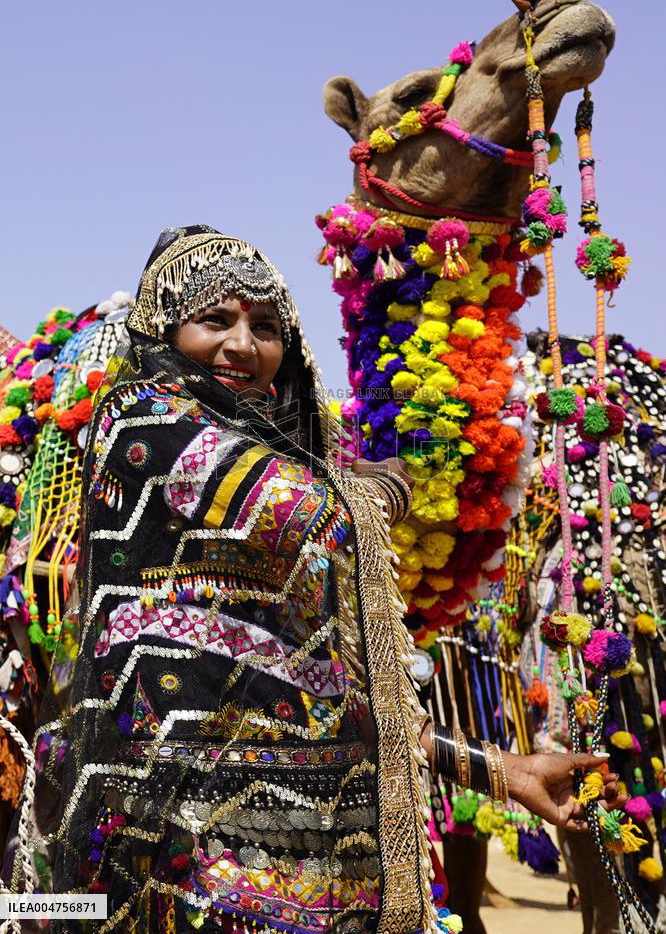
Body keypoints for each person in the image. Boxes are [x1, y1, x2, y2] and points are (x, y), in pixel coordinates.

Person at [10, 226, 623, 934]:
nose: (243, 345)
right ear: (162, 328)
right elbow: (313, 513)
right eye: (215, 320)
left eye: (265, 326)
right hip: (171, 857)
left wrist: (500, 771)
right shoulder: (143, 418)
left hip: (315, 864)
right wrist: (389, 484)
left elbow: (338, 688)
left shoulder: (282, 458)